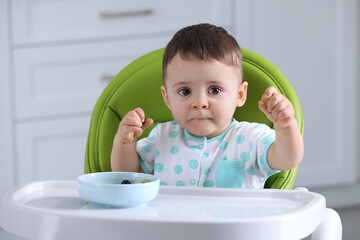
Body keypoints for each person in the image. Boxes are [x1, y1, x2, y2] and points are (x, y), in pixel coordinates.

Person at [111, 23, 303, 188]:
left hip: (233, 231)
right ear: (167, 98)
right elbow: (127, 177)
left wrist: (285, 125)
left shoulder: (251, 138)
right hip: (169, 231)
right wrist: (125, 143)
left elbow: (288, 159)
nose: (200, 103)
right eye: (185, 92)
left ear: (240, 94)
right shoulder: (161, 138)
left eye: (214, 90)